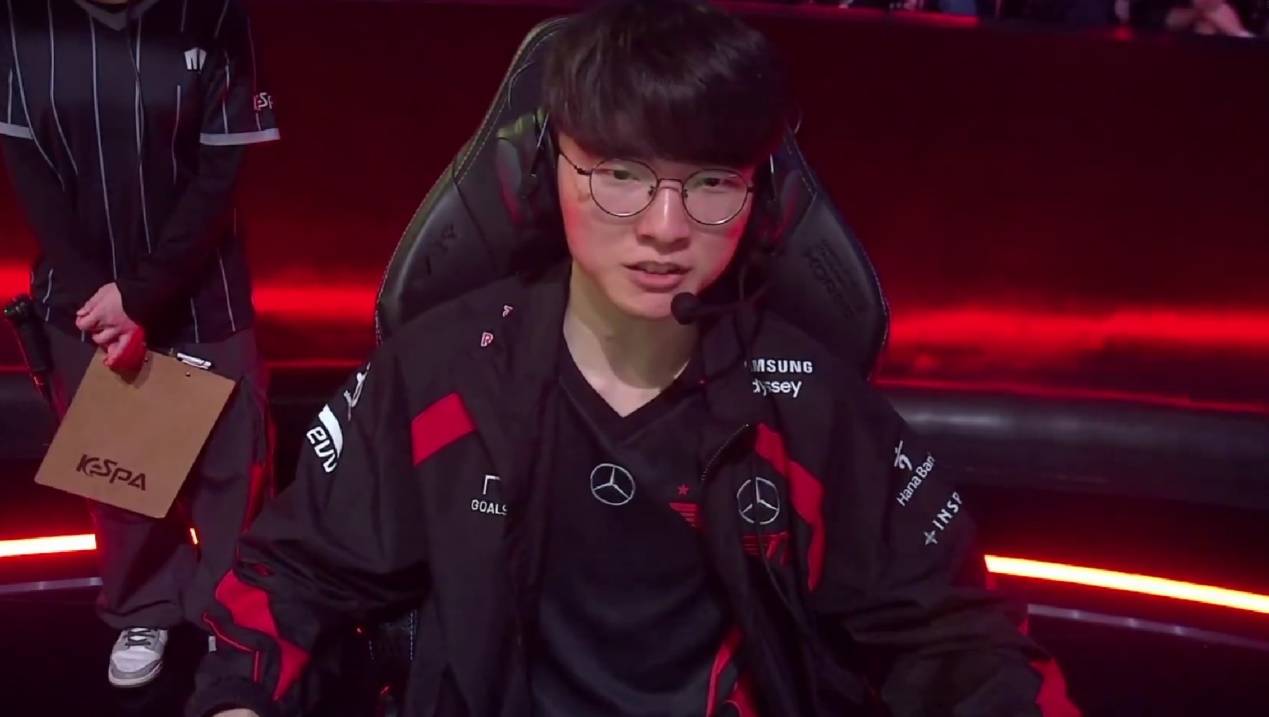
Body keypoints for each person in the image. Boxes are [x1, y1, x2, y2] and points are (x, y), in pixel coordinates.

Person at [190, 1, 1077, 716]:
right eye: (619, 174)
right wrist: (236, 701)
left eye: (711, 182)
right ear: (545, 174)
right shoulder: (440, 371)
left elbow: (959, 640)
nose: (664, 227)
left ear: (760, 197)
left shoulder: (809, 406)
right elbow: (291, 575)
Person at [1, 0, 277, 689]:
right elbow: (28, 168)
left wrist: (142, 296)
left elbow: (220, 174)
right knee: (122, 473)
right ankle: (145, 607)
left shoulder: (215, 15)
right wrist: (101, 297)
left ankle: (230, 614)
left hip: (204, 287)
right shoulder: (19, 18)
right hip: (85, 294)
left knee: (232, 474)